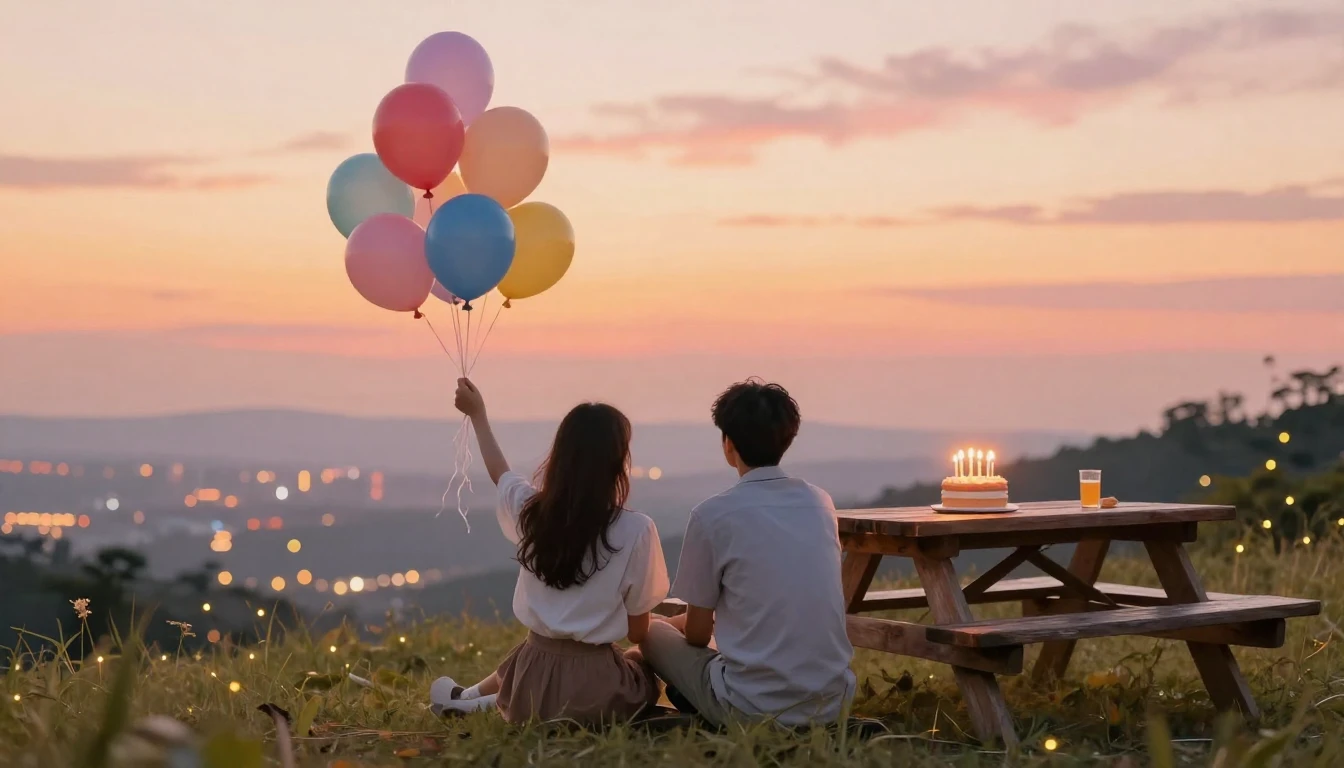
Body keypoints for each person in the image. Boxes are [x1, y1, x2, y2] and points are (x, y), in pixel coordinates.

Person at [430, 379, 670, 725]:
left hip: (532, 674)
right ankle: (469, 702)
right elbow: (638, 632)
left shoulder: (532, 512)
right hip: (596, 693)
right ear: (618, 463)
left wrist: (478, 414)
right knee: (638, 661)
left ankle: (470, 700)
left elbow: (501, 474)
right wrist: (666, 623)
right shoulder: (637, 529)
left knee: (536, 650)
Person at [641, 378, 855, 727]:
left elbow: (696, 634)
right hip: (833, 703)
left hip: (751, 708)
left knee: (650, 632)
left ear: (728, 444)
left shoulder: (712, 515)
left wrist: (668, 626)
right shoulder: (820, 503)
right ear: (787, 438)